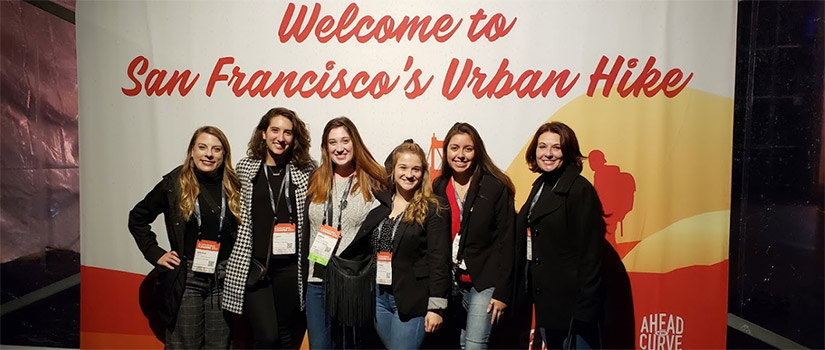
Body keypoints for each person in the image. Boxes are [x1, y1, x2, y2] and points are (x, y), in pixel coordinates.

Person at [129, 126, 240, 349]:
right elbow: (138, 218)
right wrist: (155, 253)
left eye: (216, 149)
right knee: (184, 345)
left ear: (224, 155)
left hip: (224, 277)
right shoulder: (174, 184)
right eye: (202, 147)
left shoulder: (234, 185)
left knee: (220, 345)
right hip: (188, 277)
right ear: (191, 151)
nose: (209, 154)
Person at [222, 107, 315, 348]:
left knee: (286, 335)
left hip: (291, 268)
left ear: (295, 138)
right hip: (255, 267)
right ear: (263, 133)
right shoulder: (246, 169)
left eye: (288, 133)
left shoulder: (307, 170)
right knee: (267, 336)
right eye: (275, 130)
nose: (281, 138)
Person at [517, 121, 605, 349]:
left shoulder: (579, 189)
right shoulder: (541, 185)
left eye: (556, 148)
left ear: (567, 151)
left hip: (573, 309)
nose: (548, 153)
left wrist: (584, 309)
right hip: (549, 303)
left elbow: (591, 253)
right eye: (542, 146)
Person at [305, 116, 389, 349]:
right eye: (332, 142)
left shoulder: (373, 181)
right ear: (325, 147)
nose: (339, 148)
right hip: (316, 279)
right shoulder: (316, 179)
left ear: (355, 143)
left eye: (345, 140)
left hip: (351, 281)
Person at [432, 122, 516, 350]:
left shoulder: (494, 187)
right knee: (459, 343)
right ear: (446, 151)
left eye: (467, 149)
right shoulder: (439, 186)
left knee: (475, 345)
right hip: (453, 283)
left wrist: (503, 292)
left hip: (485, 281)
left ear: (477, 151)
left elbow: (508, 241)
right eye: (454, 148)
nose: (460, 155)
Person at [368, 140, 451, 349]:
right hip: (379, 298)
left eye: (416, 169)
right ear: (393, 170)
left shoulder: (433, 208)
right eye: (403, 167)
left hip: (412, 299)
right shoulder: (381, 202)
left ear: (423, 173)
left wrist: (436, 307)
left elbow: (439, 259)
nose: (409, 174)